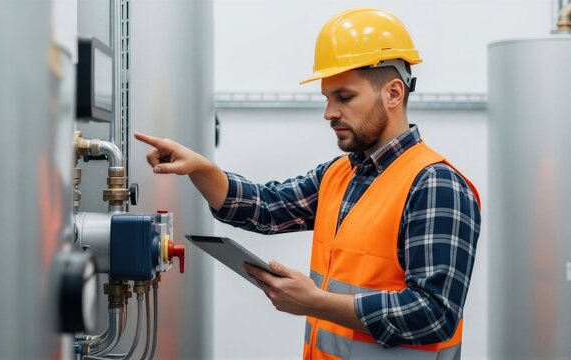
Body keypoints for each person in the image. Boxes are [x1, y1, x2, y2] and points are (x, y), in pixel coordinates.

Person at [135, 8, 481, 360]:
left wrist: (317, 303)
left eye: (344, 97)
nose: (329, 113)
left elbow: (434, 313)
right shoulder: (339, 175)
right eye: (327, 98)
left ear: (393, 93)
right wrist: (201, 168)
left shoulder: (436, 185)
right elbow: (266, 207)